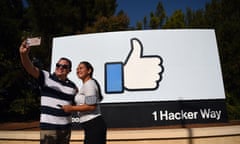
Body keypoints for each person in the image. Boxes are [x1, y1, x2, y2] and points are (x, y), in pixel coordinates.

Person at [19, 40, 78, 144]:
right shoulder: (46, 77)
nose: (60, 67)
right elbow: (30, 68)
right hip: (49, 129)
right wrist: (23, 55)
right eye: (58, 65)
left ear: (69, 70)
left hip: (65, 129)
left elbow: (77, 104)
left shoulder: (73, 87)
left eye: (64, 66)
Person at [62, 61, 107, 144]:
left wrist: (71, 108)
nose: (78, 70)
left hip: (94, 125)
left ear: (89, 71)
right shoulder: (86, 85)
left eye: (81, 68)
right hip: (90, 126)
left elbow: (91, 106)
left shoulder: (89, 84)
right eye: (77, 69)